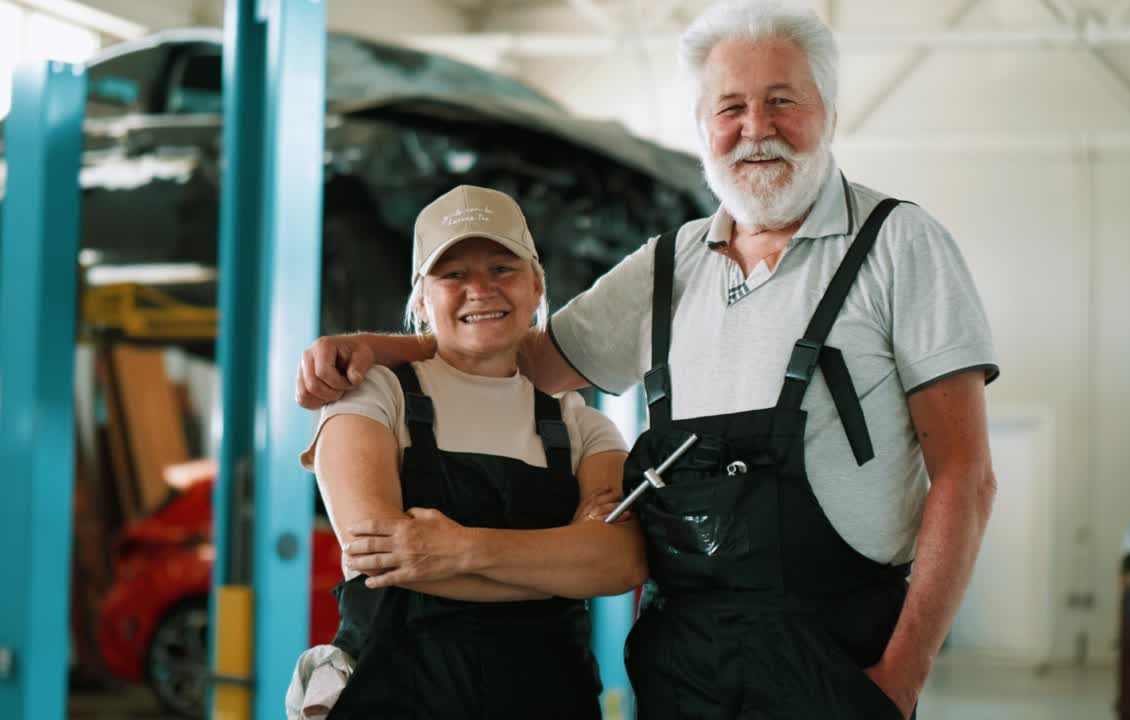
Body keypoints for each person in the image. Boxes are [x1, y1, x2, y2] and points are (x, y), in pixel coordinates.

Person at [296, 2, 999, 717]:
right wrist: (380, 348)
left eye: (782, 101)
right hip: (684, 659)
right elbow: (523, 355)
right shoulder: (668, 266)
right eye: (731, 107)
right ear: (701, 126)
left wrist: (905, 670)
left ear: (827, 111)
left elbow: (965, 475)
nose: (756, 128)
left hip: (837, 650)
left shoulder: (898, 245)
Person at [286, 185, 646, 720]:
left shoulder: (580, 424)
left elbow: (620, 562)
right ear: (421, 299)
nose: (480, 289)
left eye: (502, 268)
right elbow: (382, 558)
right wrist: (555, 566)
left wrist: (457, 550)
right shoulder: (373, 396)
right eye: (452, 274)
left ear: (536, 285)